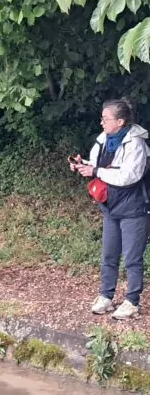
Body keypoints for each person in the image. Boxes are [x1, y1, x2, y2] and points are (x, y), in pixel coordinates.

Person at [73, 99, 149, 320]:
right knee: (108, 254)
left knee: (132, 258)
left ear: (120, 121)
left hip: (134, 208)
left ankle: (132, 302)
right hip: (110, 206)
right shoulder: (103, 139)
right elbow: (98, 165)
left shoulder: (136, 144)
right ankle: (106, 296)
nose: (101, 122)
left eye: (106, 119)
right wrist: (82, 164)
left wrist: (95, 171)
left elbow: (128, 176)